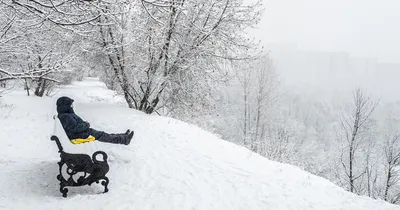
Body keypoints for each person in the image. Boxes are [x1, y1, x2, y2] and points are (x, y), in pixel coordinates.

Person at [56, 96, 134, 145]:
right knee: (103, 135)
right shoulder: (66, 116)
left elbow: (74, 127)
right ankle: (124, 140)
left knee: (104, 134)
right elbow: (75, 128)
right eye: (70, 105)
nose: (72, 106)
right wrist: (86, 124)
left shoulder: (65, 115)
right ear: (65, 106)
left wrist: (84, 124)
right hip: (81, 135)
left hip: (82, 133)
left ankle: (123, 136)